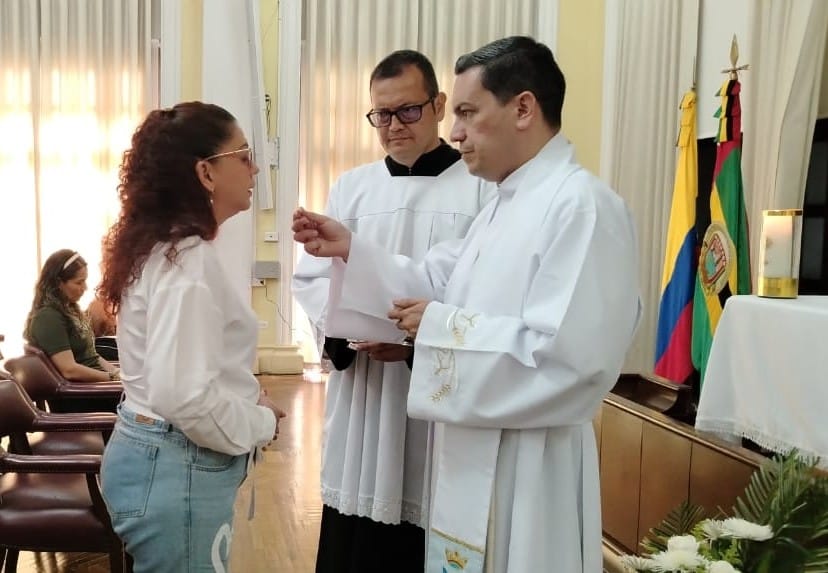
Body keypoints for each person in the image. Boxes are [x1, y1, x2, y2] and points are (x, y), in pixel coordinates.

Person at [293, 36, 641, 573]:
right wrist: (353, 251)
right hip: (477, 449)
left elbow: (572, 363)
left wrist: (433, 330)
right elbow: (434, 276)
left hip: (529, 466)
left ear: (523, 108)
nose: (454, 132)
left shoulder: (581, 206)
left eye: (467, 112)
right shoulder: (509, 201)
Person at [293, 49, 494, 573]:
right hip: (364, 388)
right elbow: (313, 276)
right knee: (358, 526)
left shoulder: (479, 188)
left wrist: (413, 341)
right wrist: (343, 334)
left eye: (407, 110)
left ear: (439, 105)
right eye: (381, 114)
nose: (392, 126)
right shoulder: (352, 187)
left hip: (434, 386)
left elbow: (477, 284)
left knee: (429, 515)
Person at [96, 101, 286, 573]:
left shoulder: (166, 248)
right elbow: (183, 396)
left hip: (156, 454)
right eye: (243, 155)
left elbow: (183, 370)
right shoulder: (189, 263)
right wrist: (261, 423)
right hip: (175, 466)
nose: (254, 167)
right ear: (206, 172)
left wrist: (242, 395)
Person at [24, 249, 120, 384]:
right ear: (59, 283)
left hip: (97, 384)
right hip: (83, 393)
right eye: (79, 282)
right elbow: (69, 370)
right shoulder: (48, 317)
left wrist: (117, 373)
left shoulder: (69, 310)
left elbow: (93, 357)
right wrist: (113, 378)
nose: (85, 287)